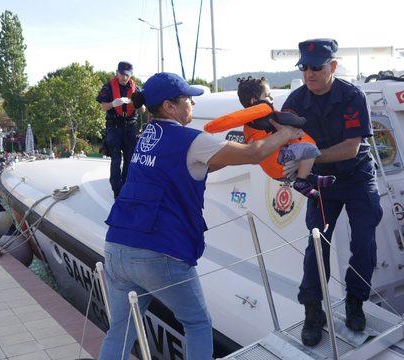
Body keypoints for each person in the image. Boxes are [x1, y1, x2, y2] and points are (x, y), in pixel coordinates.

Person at [98, 72, 303, 360]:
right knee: (196, 323)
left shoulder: (146, 138)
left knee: (120, 330)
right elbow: (255, 153)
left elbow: (187, 169)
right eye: (187, 98)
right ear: (170, 106)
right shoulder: (191, 139)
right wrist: (286, 134)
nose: (192, 103)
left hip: (117, 247)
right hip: (159, 251)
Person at [281, 38, 383, 346]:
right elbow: (285, 142)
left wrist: (310, 155)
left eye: (316, 67)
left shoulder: (353, 97)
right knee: (316, 244)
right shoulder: (294, 102)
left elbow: (351, 149)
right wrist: (287, 161)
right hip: (322, 184)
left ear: (333, 67)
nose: (309, 73)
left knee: (364, 243)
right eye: (304, 67)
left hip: (357, 178)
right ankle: (313, 310)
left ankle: (355, 301)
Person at [236, 76, 336, 197]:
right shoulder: (267, 116)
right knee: (310, 149)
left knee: (299, 154)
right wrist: (302, 120)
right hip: (281, 161)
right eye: (267, 95)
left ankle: (311, 178)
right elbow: (289, 119)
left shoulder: (248, 123)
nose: (271, 98)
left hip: (275, 170)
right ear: (254, 101)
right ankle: (301, 182)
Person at [96, 61, 145, 198]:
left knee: (129, 159)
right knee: (116, 159)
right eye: (122, 74)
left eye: (127, 75)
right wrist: (113, 103)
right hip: (114, 126)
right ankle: (117, 190)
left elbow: (143, 110)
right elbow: (104, 106)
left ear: (131, 74)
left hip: (130, 126)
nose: (124, 78)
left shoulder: (136, 88)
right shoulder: (108, 87)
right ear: (117, 72)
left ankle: (126, 187)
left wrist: (138, 103)